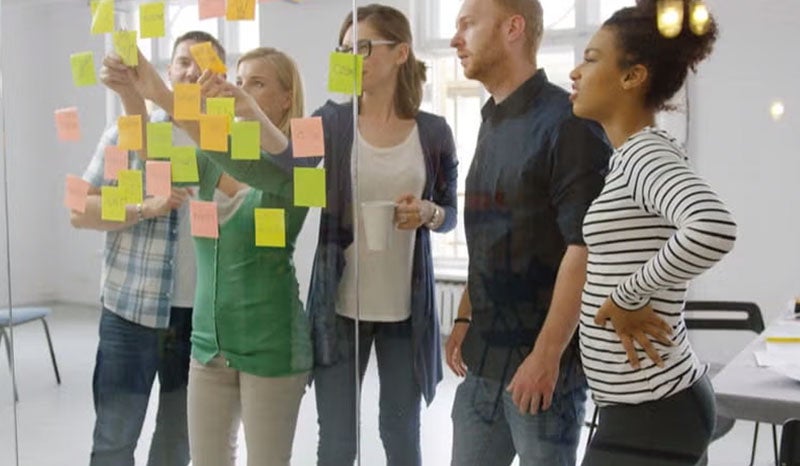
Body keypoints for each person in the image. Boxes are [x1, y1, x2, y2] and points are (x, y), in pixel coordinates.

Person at [102, 45, 313, 466]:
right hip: (207, 346)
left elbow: (251, 163)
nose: (240, 89)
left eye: (256, 82)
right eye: (239, 79)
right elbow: (153, 159)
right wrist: (131, 94)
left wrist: (162, 93)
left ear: (287, 97)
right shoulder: (211, 161)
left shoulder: (302, 158)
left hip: (271, 346)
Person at [569, 1, 737, 464]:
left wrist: (626, 296)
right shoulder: (630, 157)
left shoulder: (645, 153)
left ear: (632, 76)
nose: (575, 72)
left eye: (591, 58)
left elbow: (713, 226)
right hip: (642, 407)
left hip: (652, 408)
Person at [446, 0, 611, 465]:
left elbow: (585, 247)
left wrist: (546, 356)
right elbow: (491, 233)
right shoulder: (490, 118)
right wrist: (464, 315)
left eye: (467, 25)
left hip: (541, 368)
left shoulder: (569, 122)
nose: (457, 39)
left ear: (512, 28)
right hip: (483, 359)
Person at [305, 5, 458, 466]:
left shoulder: (433, 132)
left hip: (405, 310)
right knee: (336, 440)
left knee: (401, 433)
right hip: (338, 305)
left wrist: (428, 212)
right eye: (346, 50)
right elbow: (282, 162)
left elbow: (451, 213)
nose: (353, 58)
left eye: (364, 47)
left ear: (401, 52)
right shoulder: (330, 122)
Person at [69, 30, 225, 466]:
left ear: (221, 76)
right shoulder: (128, 131)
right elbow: (80, 209)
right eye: (182, 62)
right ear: (167, 72)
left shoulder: (231, 144)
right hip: (130, 314)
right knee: (115, 442)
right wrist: (142, 207)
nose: (193, 70)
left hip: (201, 322)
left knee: (178, 443)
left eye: (205, 61)